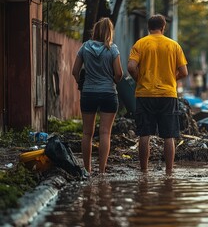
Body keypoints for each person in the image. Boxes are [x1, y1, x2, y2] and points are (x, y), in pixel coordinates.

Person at [127, 14, 188, 175]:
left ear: (149, 27)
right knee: (169, 135)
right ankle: (169, 172)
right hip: (168, 95)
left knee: (144, 134)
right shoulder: (174, 45)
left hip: (145, 94)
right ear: (163, 28)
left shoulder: (141, 43)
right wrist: (171, 79)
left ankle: (144, 171)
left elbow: (131, 67)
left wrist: (140, 79)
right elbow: (184, 71)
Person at [72, 17, 123, 174]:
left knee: (87, 133)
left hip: (89, 93)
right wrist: (111, 81)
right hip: (108, 93)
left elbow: (75, 71)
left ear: (95, 30)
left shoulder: (84, 47)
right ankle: (101, 170)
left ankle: (87, 169)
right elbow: (119, 73)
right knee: (105, 133)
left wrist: (82, 82)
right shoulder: (112, 49)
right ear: (109, 32)